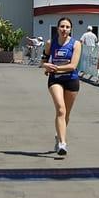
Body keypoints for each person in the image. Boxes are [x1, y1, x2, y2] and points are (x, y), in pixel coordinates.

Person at [41, 17, 81, 156]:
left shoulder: (76, 44)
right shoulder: (50, 43)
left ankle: (58, 135)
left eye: (67, 27)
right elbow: (43, 61)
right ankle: (62, 143)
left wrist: (54, 68)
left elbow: (73, 66)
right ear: (57, 28)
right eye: (62, 26)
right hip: (55, 80)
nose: (64, 29)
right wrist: (45, 65)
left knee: (66, 114)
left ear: (70, 29)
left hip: (71, 80)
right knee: (60, 109)